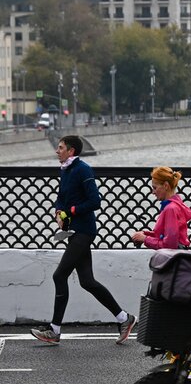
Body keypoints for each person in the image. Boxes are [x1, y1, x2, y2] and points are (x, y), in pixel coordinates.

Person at [30, 135, 135, 345]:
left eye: (60, 148)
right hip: (74, 231)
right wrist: (58, 211)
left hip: (84, 231)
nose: (56, 151)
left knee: (59, 276)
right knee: (87, 281)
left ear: (71, 151)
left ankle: (54, 330)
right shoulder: (66, 170)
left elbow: (95, 201)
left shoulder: (83, 169)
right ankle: (124, 318)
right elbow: (62, 196)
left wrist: (70, 211)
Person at [131, 167, 191, 250]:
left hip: (172, 259)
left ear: (166, 186)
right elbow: (164, 235)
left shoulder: (170, 209)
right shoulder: (177, 205)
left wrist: (145, 239)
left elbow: (169, 246)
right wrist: (145, 234)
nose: (153, 192)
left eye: (155, 188)